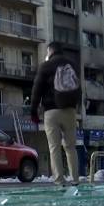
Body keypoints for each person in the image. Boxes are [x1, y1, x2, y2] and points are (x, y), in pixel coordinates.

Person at [30, 42, 82, 186]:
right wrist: (76, 106)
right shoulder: (72, 65)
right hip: (70, 110)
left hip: (51, 111)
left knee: (54, 147)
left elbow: (36, 90)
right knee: (71, 146)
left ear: (50, 51)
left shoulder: (45, 66)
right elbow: (78, 88)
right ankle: (75, 179)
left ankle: (59, 180)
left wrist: (33, 111)